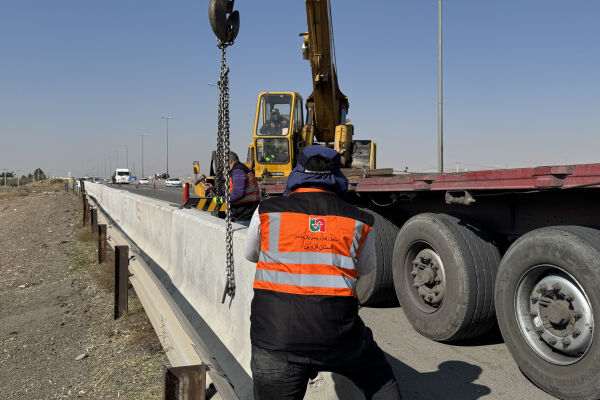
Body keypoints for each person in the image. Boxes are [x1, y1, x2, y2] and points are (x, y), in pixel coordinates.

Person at [244, 146, 402, 399]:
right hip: (338, 334)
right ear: (337, 176)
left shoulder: (267, 211)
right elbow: (365, 268)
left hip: (275, 337)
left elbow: (251, 254)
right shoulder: (360, 220)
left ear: (296, 173)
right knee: (381, 382)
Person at [203, 151, 260, 222]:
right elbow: (230, 189)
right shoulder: (238, 170)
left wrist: (220, 200)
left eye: (223, 162)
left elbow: (237, 193)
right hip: (245, 211)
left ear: (229, 161)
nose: (223, 165)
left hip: (245, 213)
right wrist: (214, 189)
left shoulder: (238, 171)